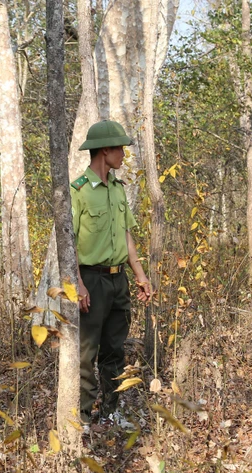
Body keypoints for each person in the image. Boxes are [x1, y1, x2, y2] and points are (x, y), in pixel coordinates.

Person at [70, 120, 154, 429]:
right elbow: (68, 243)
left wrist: (140, 277)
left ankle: (110, 411)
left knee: (114, 349)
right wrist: (77, 284)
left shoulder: (118, 190)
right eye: (119, 148)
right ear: (105, 150)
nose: (123, 154)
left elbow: (127, 236)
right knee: (86, 352)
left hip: (119, 281)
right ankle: (80, 419)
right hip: (91, 280)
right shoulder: (77, 191)